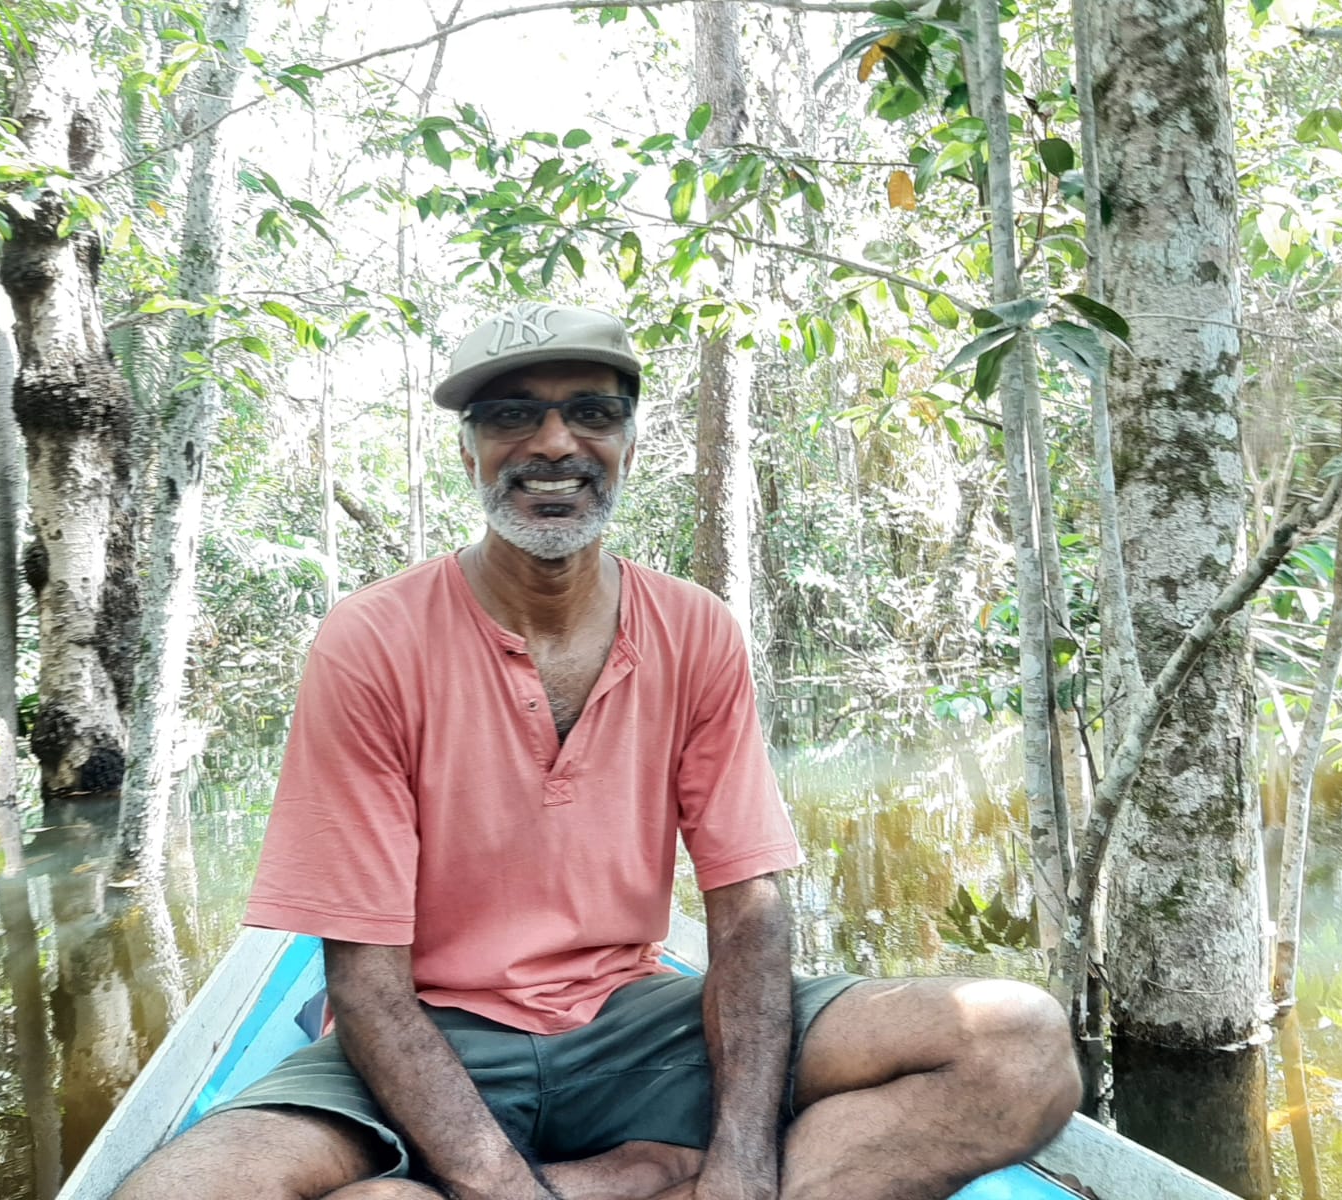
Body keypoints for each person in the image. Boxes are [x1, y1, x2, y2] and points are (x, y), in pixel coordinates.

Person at [114, 303, 1080, 1200]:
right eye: (510, 417)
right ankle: (621, 1182)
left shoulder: (695, 630)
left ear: (624, 441)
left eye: (590, 412)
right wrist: (507, 1190)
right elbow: (366, 983)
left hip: (635, 1027)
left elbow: (747, 910)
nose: (552, 445)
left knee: (1020, 1047)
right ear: (470, 454)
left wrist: (744, 1164)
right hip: (433, 1036)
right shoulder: (372, 641)